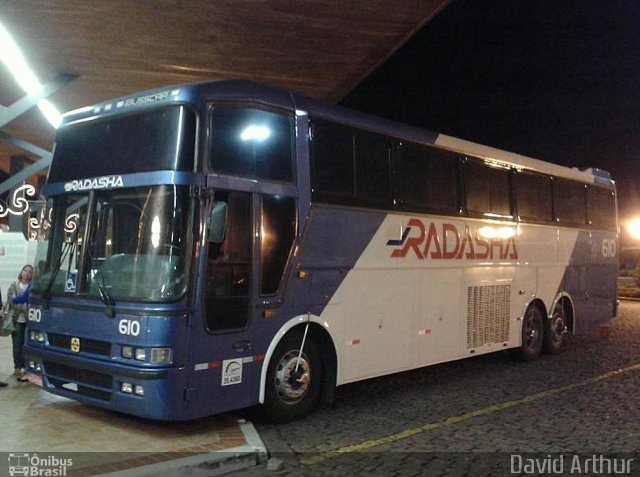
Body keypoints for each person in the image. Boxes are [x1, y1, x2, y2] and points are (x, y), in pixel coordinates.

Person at [8, 264, 33, 382]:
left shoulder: (32, 286)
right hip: (17, 318)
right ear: (21, 272)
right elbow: (12, 300)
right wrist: (23, 310)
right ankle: (17, 366)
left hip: (29, 319)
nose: (27, 273)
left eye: (29, 271)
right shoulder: (14, 284)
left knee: (26, 343)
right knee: (17, 344)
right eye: (25, 271)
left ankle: (25, 366)